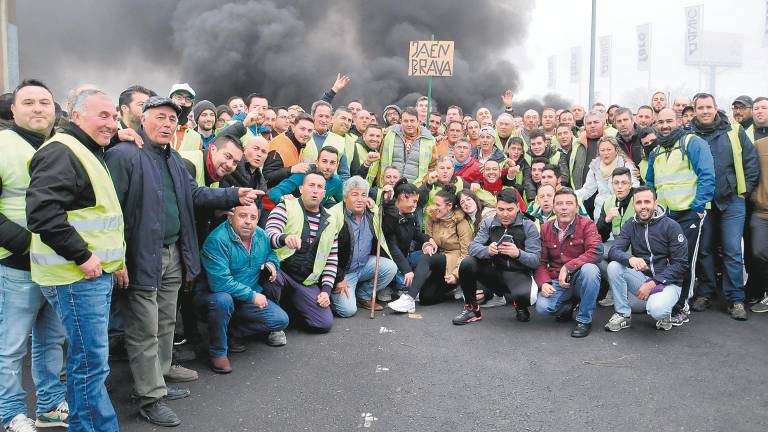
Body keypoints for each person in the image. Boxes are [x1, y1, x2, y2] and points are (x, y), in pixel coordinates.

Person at [105, 96, 259, 427]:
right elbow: (111, 211)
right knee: (143, 328)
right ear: (142, 121)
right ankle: (149, 397)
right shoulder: (124, 154)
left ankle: (158, 377)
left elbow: (195, 195)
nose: (166, 124)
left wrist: (233, 195)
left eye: (172, 120)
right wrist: (117, 259)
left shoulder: (173, 159)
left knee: (164, 324)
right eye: (159, 117)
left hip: (173, 252)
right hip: (141, 256)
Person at [26, 89, 126, 431]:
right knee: (90, 364)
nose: (111, 124)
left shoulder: (85, 150)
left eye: (115, 117)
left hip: (89, 276)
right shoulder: (62, 152)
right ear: (77, 116)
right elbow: (41, 214)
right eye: (103, 116)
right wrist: (83, 257)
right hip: (76, 278)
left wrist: (116, 262)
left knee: (90, 362)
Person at [0, 80, 69, 431]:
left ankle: (50, 405)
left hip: (56, 265)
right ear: (13, 110)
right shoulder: (2, 145)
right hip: (16, 265)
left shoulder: (60, 144)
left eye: (45, 101)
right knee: (11, 346)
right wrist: (26, 244)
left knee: (50, 340)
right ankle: (11, 413)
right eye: (29, 102)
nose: (39, 108)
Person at [689, 93, 758, 320]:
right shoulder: (689, 136)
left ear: (716, 108)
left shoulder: (734, 132)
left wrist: (743, 191)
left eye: (709, 107)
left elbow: (750, 162)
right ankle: (706, 293)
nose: (705, 111)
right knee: (705, 250)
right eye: (701, 108)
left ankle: (735, 298)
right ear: (695, 110)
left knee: (732, 250)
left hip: (732, 201)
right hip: (704, 202)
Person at [199, 203, 288, 374]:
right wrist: (252, 295)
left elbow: (272, 253)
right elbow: (220, 282)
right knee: (222, 300)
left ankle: (233, 332)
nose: (248, 222)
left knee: (280, 320)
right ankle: (218, 352)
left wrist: (271, 264)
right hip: (216, 297)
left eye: (253, 217)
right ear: (230, 216)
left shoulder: (260, 235)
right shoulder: (217, 240)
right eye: (242, 216)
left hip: (246, 297)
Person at [646, 108, 715, 324]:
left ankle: (682, 306)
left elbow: (707, 175)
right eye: (661, 122)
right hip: (665, 217)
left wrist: (698, 206)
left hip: (688, 214)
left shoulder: (692, 143)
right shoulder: (655, 151)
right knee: (667, 260)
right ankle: (668, 300)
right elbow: (650, 182)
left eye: (669, 121)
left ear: (679, 121)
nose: (665, 125)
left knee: (685, 261)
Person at [263, 172, 344, 332]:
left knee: (324, 324)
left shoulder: (331, 220)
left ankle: (290, 310)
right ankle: (273, 327)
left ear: (324, 193)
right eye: (311, 185)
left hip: (306, 281)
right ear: (301, 189)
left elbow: (331, 260)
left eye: (320, 187)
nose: (315, 190)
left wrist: (326, 291)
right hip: (281, 271)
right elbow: (268, 235)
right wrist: (284, 238)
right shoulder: (285, 206)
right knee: (270, 276)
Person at [604, 186, 687, 331]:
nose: (643, 206)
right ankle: (623, 314)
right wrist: (630, 259)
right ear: (634, 205)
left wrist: (654, 283)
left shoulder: (671, 226)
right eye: (639, 202)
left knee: (656, 310)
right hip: (643, 279)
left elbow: (680, 265)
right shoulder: (631, 224)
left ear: (655, 203)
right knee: (614, 266)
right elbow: (614, 250)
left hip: (668, 283)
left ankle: (667, 311)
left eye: (647, 202)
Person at [453, 189, 541, 324]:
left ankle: (520, 304)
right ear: (496, 207)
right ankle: (472, 310)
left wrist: (518, 254)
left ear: (518, 208)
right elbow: (472, 247)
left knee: (528, 297)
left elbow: (535, 260)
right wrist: (487, 250)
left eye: (510, 209)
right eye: (501, 209)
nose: (505, 214)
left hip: (518, 273)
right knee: (467, 263)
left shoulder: (529, 226)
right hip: (495, 272)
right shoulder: (488, 223)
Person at [388, 189, 472, 312]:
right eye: (434, 203)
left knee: (426, 258)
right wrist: (427, 244)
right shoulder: (432, 217)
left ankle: (409, 298)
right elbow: (428, 237)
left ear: (449, 206)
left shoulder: (461, 222)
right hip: (438, 258)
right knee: (426, 298)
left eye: (438, 205)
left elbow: (466, 253)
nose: (434, 207)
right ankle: (449, 288)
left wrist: (456, 274)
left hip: (454, 259)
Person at [535, 188, 602, 338]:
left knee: (591, 270)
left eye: (569, 203)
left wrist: (569, 267)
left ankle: (584, 320)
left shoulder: (587, 224)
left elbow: (596, 251)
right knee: (542, 308)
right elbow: (541, 261)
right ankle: (569, 307)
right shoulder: (545, 228)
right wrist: (544, 283)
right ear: (553, 208)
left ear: (577, 208)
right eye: (559, 203)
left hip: (579, 278)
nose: (564, 207)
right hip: (557, 280)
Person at [332, 176, 397, 316]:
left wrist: (387, 203)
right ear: (344, 198)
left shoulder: (371, 213)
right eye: (354, 194)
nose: (360, 199)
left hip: (363, 266)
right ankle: (331, 293)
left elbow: (390, 227)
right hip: (343, 272)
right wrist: (338, 278)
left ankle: (363, 295)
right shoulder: (334, 216)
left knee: (390, 267)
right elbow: (324, 253)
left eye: (363, 195)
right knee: (347, 311)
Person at [381, 180, 430, 296]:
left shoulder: (409, 213)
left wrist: (428, 240)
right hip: (393, 259)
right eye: (414, 201)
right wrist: (406, 270)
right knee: (407, 285)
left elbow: (415, 233)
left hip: (405, 256)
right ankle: (392, 285)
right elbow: (392, 247)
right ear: (403, 197)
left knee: (431, 256)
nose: (415, 205)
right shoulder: (390, 216)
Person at [576, 136, 640, 220]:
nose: (606, 153)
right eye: (602, 150)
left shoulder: (626, 165)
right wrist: (571, 194)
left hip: (621, 210)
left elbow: (635, 188)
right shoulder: (595, 167)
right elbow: (587, 190)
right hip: (600, 211)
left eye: (609, 150)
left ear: (616, 150)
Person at [268, 147, 343, 208]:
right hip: (293, 214)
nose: (328, 167)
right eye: (324, 161)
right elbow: (274, 192)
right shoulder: (302, 175)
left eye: (332, 163)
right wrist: (285, 200)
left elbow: (344, 203)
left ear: (337, 165)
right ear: (316, 163)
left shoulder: (337, 182)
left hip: (315, 218)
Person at [379, 107, 436, 185]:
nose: (409, 124)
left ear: (418, 122)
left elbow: (433, 166)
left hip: (415, 189)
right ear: (400, 121)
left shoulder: (429, 140)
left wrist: (422, 183)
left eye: (412, 121)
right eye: (405, 121)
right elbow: (381, 161)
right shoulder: (390, 135)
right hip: (391, 186)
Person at [220, 135, 270, 224]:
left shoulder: (261, 184)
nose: (259, 154)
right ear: (245, 150)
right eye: (256, 148)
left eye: (263, 152)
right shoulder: (229, 170)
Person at [748, 96, 768, 312]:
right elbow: (751, 173)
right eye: (757, 108)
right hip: (761, 211)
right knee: (759, 252)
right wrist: (754, 195)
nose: (760, 111)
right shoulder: (758, 144)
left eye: (765, 108)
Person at [263, 112, 315, 189]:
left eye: (310, 131)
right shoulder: (279, 146)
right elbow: (266, 179)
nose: (306, 134)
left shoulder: (299, 144)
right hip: (271, 198)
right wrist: (291, 169)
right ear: (293, 127)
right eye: (302, 129)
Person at [306, 100, 350, 180]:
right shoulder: (303, 136)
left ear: (331, 119)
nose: (324, 120)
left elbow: (344, 174)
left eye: (327, 117)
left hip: (331, 190)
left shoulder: (339, 141)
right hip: (304, 188)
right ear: (312, 116)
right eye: (320, 116)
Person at [169, 83, 203, 152]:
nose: (183, 102)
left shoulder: (196, 138)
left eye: (188, 99)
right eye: (179, 97)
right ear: (170, 100)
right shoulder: (157, 128)